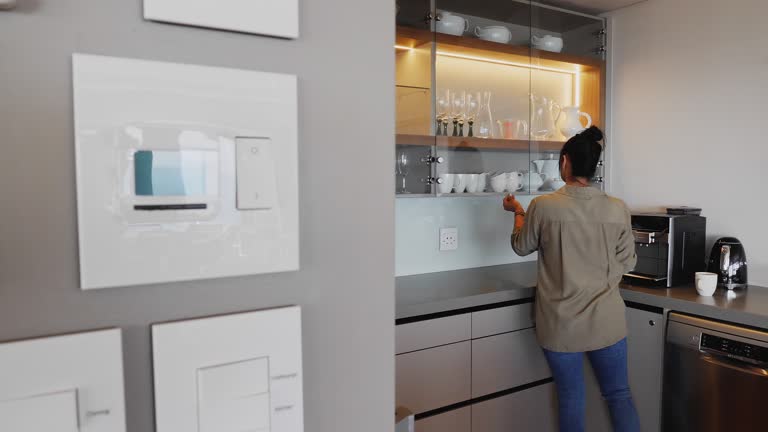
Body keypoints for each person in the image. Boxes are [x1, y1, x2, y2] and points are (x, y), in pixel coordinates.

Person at [502, 126, 640, 432]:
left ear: (564, 162)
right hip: (608, 321)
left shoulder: (544, 205)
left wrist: (517, 213)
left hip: (562, 324)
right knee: (618, 395)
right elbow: (629, 260)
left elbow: (521, 246)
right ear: (594, 167)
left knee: (570, 397)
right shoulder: (618, 209)